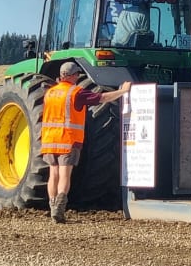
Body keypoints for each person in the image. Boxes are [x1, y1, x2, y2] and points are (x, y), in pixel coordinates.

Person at [40, 61, 131, 223]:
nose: (77, 77)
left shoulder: (50, 93)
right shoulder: (76, 93)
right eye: (77, 74)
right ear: (73, 76)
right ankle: (59, 208)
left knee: (53, 174)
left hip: (49, 140)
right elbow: (102, 97)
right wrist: (122, 91)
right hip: (67, 140)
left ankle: (52, 205)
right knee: (64, 175)